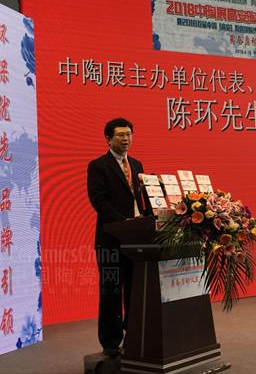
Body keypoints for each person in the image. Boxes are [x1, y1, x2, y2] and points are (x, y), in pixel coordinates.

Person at [87, 117, 151, 356]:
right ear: (108, 139)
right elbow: (99, 200)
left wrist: (147, 217)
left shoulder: (136, 164)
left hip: (136, 238)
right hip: (111, 240)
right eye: (121, 135)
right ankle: (111, 342)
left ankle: (133, 334)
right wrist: (124, 222)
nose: (126, 139)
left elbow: (142, 199)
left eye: (129, 135)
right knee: (111, 290)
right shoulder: (98, 166)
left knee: (135, 289)